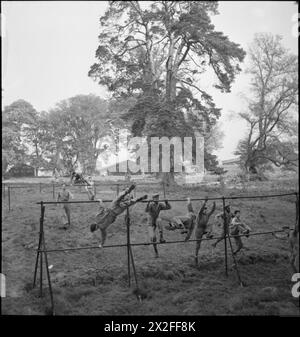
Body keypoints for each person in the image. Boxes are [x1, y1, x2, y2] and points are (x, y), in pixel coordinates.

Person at [193, 197, 216, 266]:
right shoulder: (199, 215)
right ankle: (196, 256)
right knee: (198, 244)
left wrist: (214, 204)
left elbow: (212, 211)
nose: (205, 210)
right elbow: (201, 209)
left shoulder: (207, 215)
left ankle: (208, 235)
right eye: (204, 209)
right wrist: (205, 202)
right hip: (198, 230)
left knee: (210, 225)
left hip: (204, 228)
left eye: (206, 209)